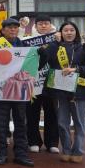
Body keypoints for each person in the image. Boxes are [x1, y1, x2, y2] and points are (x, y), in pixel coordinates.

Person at [42, 21, 85, 163]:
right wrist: (55, 43)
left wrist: (76, 69)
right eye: (65, 30)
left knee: (79, 123)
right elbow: (45, 59)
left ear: (76, 32)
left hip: (79, 91)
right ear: (61, 32)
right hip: (59, 91)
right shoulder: (55, 47)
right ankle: (66, 149)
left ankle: (78, 151)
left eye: (72, 30)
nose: (69, 33)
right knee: (62, 122)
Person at [0, 18, 34, 167]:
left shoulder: (24, 45)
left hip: (20, 89)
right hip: (1, 89)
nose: (13, 29)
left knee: (21, 122)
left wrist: (42, 52)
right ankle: (1, 153)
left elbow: (35, 64)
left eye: (15, 27)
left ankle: (21, 154)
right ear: (2, 30)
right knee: (0, 123)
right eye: (9, 27)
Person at [25, 14, 60, 154]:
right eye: (40, 23)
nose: (44, 25)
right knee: (32, 113)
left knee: (52, 113)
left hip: (52, 81)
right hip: (34, 83)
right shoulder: (28, 40)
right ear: (35, 26)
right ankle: (34, 141)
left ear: (51, 25)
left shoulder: (58, 39)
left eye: (46, 23)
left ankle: (52, 142)